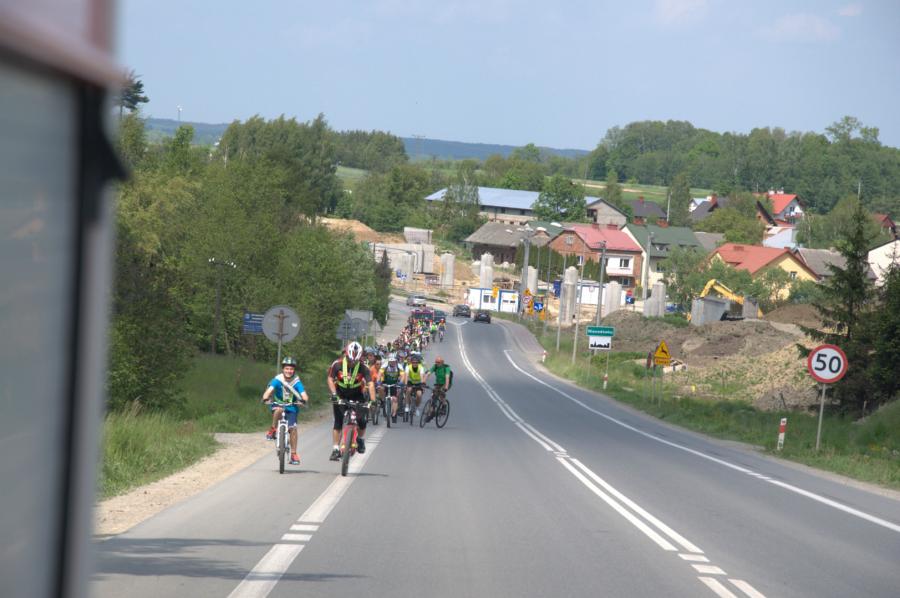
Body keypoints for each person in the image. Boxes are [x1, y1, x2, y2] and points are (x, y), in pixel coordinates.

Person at [327, 341, 375, 460]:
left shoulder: (364, 367)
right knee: (338, 422)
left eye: (355, 361)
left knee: (362, 421)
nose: (352, 363)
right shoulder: (337, 364)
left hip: (357, 395)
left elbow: (370, 384)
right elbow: (330, 379)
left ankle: (360, 439)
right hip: (340, 394)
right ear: (346, 356)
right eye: (350, 360)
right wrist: (334, 394)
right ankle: (335, 449)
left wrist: (373, 400)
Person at [261, 356, 309, 465]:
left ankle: (294, 454)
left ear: (294, 370)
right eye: (287, 368)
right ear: (283, 369)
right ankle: (273, 429)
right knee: (278, 410)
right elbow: (268, 391)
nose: (289, 371)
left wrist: (303, 400)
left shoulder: (296, 381)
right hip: (278, 404)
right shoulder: (277, 380)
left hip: (291, 407)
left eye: (291, 369)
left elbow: (304, 395)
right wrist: (265, 398)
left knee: (293, 428)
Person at [379, 353, 406, 423]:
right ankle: (383, 401)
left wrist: (401, 382)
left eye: (394, 361)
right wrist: (378, 381)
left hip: (395, 384)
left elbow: (403, 375)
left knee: (395, 399)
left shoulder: (399, 366)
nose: (392, 362)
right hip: (385, 382)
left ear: (396, 361)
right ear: (388, 361)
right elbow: (380, 373)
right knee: (380, 388)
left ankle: (394, 414)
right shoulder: (385, 365)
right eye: (391, 361)